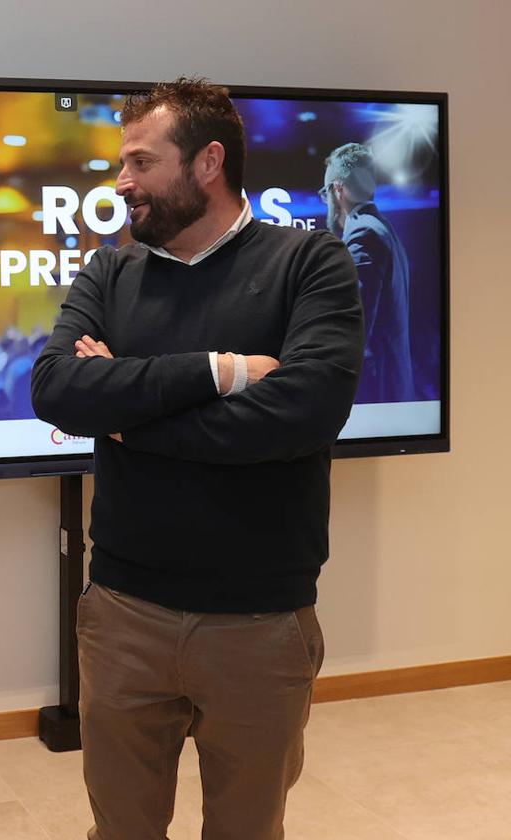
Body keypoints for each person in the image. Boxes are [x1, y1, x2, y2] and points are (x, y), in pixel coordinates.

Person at [31, 79, 364, 840]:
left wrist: (128, 419)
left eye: (141, 162)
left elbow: (301, 413)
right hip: (122, 615)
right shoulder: (109, 274)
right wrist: (220, 371)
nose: (121, 182)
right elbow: (57, 389)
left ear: (208, 161)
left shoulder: (310, 266)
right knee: (120, 829)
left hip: (261, 623)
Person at [322, 142, 415, 402]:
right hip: (392, 387)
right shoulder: (383, 228)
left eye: (325, 193)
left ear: (337, 189)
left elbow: (357, 326)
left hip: (376, 393)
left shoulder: (363, 234)